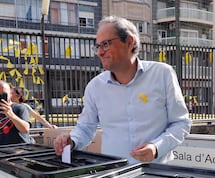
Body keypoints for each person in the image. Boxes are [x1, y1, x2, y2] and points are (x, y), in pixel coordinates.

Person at [54, 16, 191, 163]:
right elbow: (86, 128)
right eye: (98, 46)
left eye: (106, 44)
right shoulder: (95, 87)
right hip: (113, 176)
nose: (100, 52)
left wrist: (156, 147)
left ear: (129, 42)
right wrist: (72, 140)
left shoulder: (162, 74)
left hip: (157, 174)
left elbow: (180, 123)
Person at [0, 80, 32, 146]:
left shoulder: (20, 108)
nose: (0, 96)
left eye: (4, 94)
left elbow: (26, 129)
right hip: (1, 153)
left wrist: (11, 115)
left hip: (20, 152)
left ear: (10, 94)